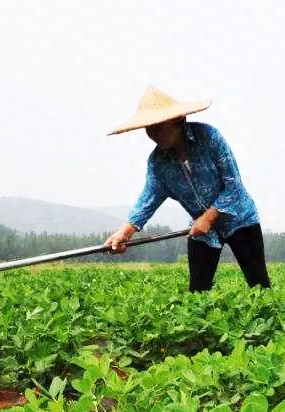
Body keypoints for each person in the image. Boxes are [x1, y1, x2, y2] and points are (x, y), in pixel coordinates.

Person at [104, 85, 270, 292]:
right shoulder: (158, 163)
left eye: (157, 126)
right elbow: (147, 200)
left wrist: (208, 218)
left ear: (177, 120)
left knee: (259, 286)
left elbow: (233, 186)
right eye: (148, 128)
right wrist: (124, 232)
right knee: (197, 294)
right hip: (201, 231)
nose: (152, 134)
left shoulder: (209, 137)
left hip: (240, 219)